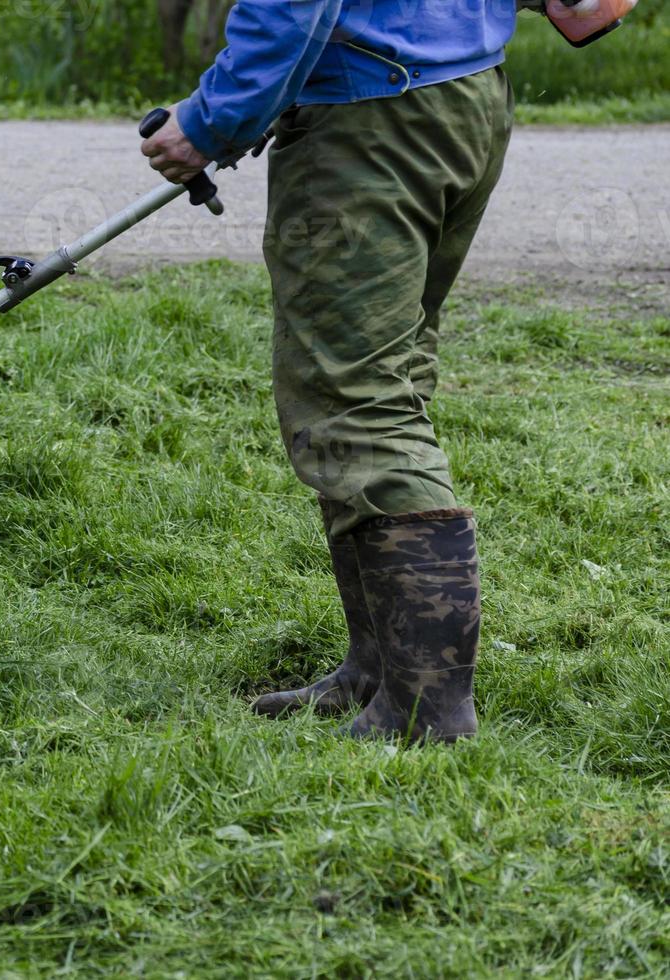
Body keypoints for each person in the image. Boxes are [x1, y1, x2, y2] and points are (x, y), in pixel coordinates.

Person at [140, 1, 553, 742]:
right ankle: (381, 672)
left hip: (374, 117)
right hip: (463, 94)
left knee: (358, 399)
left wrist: (210, 121)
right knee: (383, 378)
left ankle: (428, 711)